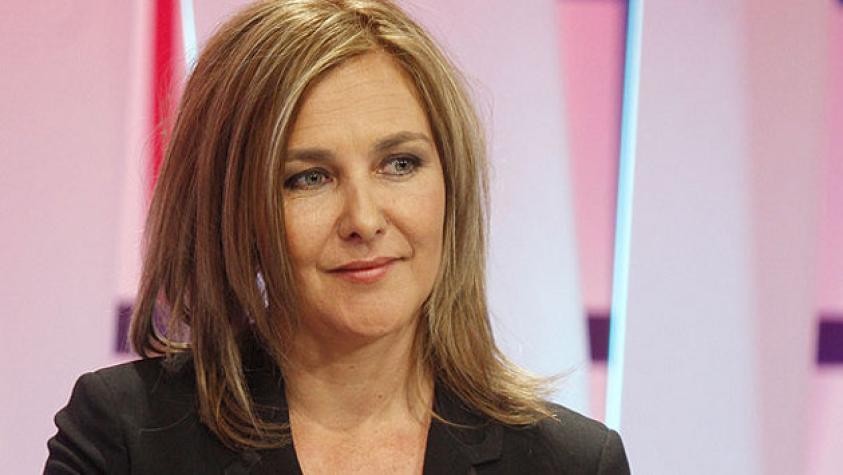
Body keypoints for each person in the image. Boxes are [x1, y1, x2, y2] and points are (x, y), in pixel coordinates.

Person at [45, 1, 630, 473]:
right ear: (233, 208)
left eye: (399, 164)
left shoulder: (573, 463)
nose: (364, 220)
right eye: (310, 177)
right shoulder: (125, 437)